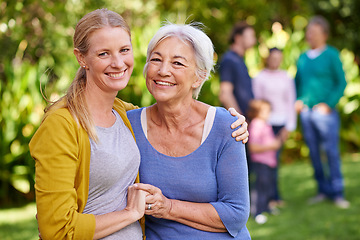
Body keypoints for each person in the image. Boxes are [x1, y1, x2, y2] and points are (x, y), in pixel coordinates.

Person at [29, 9, 249, 240]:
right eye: (104, 53)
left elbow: (236, 212)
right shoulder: (74, 123)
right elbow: (56, 229)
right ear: (81, 58)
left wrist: (230, 121)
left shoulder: (127, 116)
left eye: (124, 50)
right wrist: (130, 213)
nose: (117, 62)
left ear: (199, 76)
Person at [128, 23, 251, 239]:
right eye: (156, 59)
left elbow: (236, 213)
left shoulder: (225, 126)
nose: (163, 71)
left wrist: (167, 207)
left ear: (199, 77)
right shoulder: (129, 124)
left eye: (177, 63)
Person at [295, 16, 349, 208]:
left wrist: (329, 104)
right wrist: (298, 100)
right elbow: (298, 84)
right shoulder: (302, 58)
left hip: (325, 113)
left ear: (324, 34)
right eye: (308, 32)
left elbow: (341, 82)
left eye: (314, 32)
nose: (310, 35)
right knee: (314, 154)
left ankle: (338, 192)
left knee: (331, 152)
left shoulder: (331, 55)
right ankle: (322, 190)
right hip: (307, 113)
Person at [252, 47, 296, 205]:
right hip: (266, 125)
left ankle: (274, 196)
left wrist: (289, 126)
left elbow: (291, 102)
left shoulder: (286, 77)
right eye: (273, 58)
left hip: (282, 123)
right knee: (266, 161)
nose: (276, 61)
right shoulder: (259, 78)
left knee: (275, 161)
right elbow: (257, 102)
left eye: (279, 58)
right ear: (268, 58)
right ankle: (269, 197)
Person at [247, 99, 285, 224]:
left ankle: (267, 207)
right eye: (266, 111)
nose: (269, 113)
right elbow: (253, 147)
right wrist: (272, 146)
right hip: (261, 162)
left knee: (269, 186)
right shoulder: (257, 124)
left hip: (269, 162)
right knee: (260, 188)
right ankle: (257, 212)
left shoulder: (265, 124)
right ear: (256, 112)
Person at [219, 22, 257, 116]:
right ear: (238, 38)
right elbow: (225, 94)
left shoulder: (240, 60)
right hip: (236, 123)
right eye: (250, 36)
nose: (254, 40)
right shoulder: (229, 59)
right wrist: (238, 118)